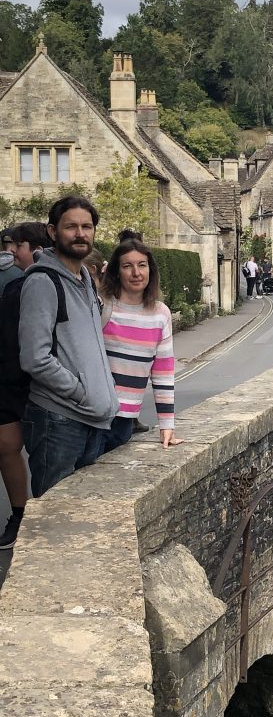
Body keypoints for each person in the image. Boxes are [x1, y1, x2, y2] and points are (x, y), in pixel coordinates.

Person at [17, 195, 119, 503]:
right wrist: (81, 392)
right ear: (52, 232)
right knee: (53, 519)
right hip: (58, 422)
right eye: (71, 226)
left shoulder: (85, 278)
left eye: (87, 226)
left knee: (80, 519)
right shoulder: (43, 282)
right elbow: (34, 357)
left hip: (89, 421)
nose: (80, 234)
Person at [100, 239, 183, 453]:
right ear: (117, 272)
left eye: (142, 265)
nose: (136, 272)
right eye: (127, 266)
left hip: (125, 422)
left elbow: (163, 373)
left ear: (150, 270)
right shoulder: (103, 306)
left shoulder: (160, 313)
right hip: (94, 416)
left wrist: (166, 425)